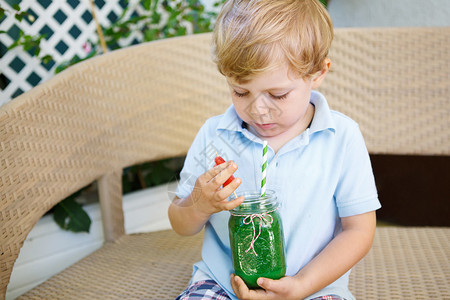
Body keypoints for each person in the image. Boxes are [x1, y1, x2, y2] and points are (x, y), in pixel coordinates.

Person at [168, 0, 381, 299]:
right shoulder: (215, 136)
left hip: (314, 289)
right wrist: (199, 204)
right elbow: (180, 222)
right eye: (240, 92)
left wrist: (303, 285)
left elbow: (358, 231)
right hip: (222, 284)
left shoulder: (341, 138)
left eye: (278, 95)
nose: (258, 110)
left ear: (318, 73)